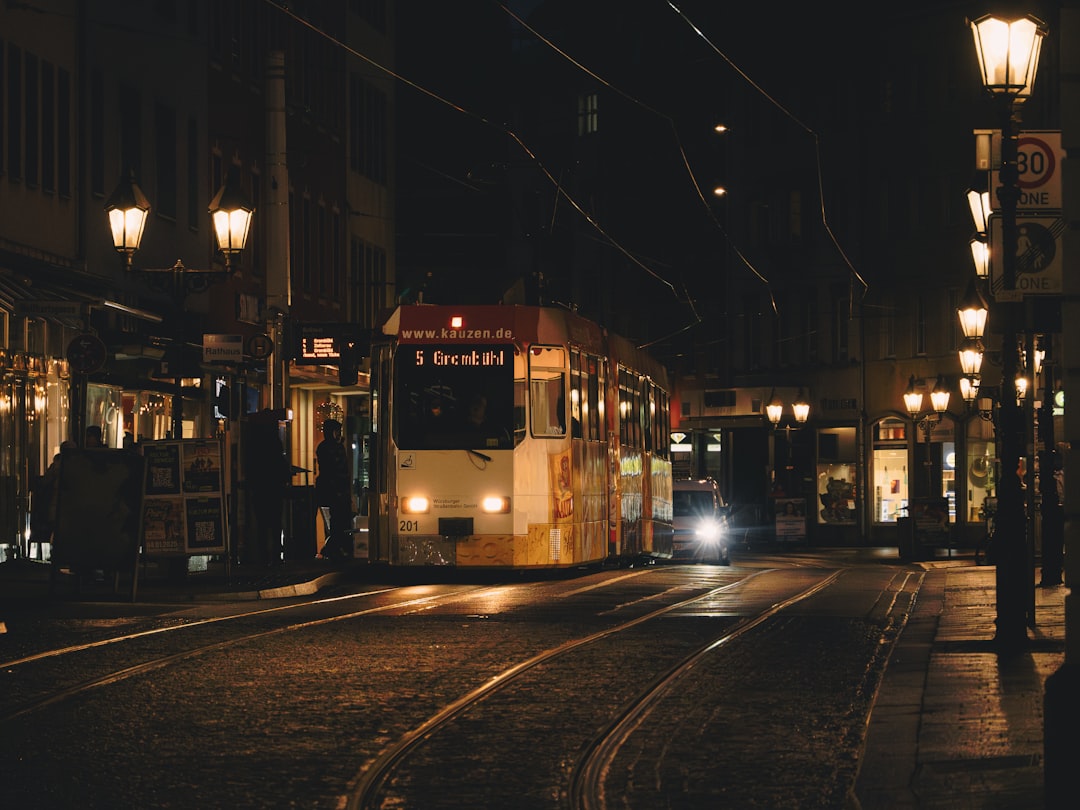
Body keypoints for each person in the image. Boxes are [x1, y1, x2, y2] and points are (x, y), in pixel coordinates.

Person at [244, 411, 291, 567]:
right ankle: (276, 556)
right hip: (274, 490)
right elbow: (283, 467)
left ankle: (263, 556)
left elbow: (250, 468)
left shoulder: (253, 445)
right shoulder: (275, 445)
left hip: (260, 490)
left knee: (262, 525)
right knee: (275, 524)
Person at [316, 418, 352, 561]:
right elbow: (332, 469)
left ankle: (335, 546)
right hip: (334, 489)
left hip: (337, 489)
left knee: (339, 519)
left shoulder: (331, 447)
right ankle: (334, 547)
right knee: (337, 519)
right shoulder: (328, 448)